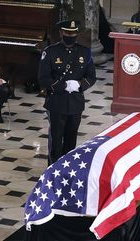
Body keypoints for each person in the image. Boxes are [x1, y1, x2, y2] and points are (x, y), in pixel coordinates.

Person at [38, 20, 96, 165]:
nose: (71, 35)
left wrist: (79, 85)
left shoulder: (84, 52)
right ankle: (53, 169)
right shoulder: (50, 52)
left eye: (73, 33)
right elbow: (43, 77)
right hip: (57, 102)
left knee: (71, 139)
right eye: (67, 33)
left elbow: (91, 76)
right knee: (56, 139)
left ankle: (67, 168)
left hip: (76, 103)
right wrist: (62, 86)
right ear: (61, 33)